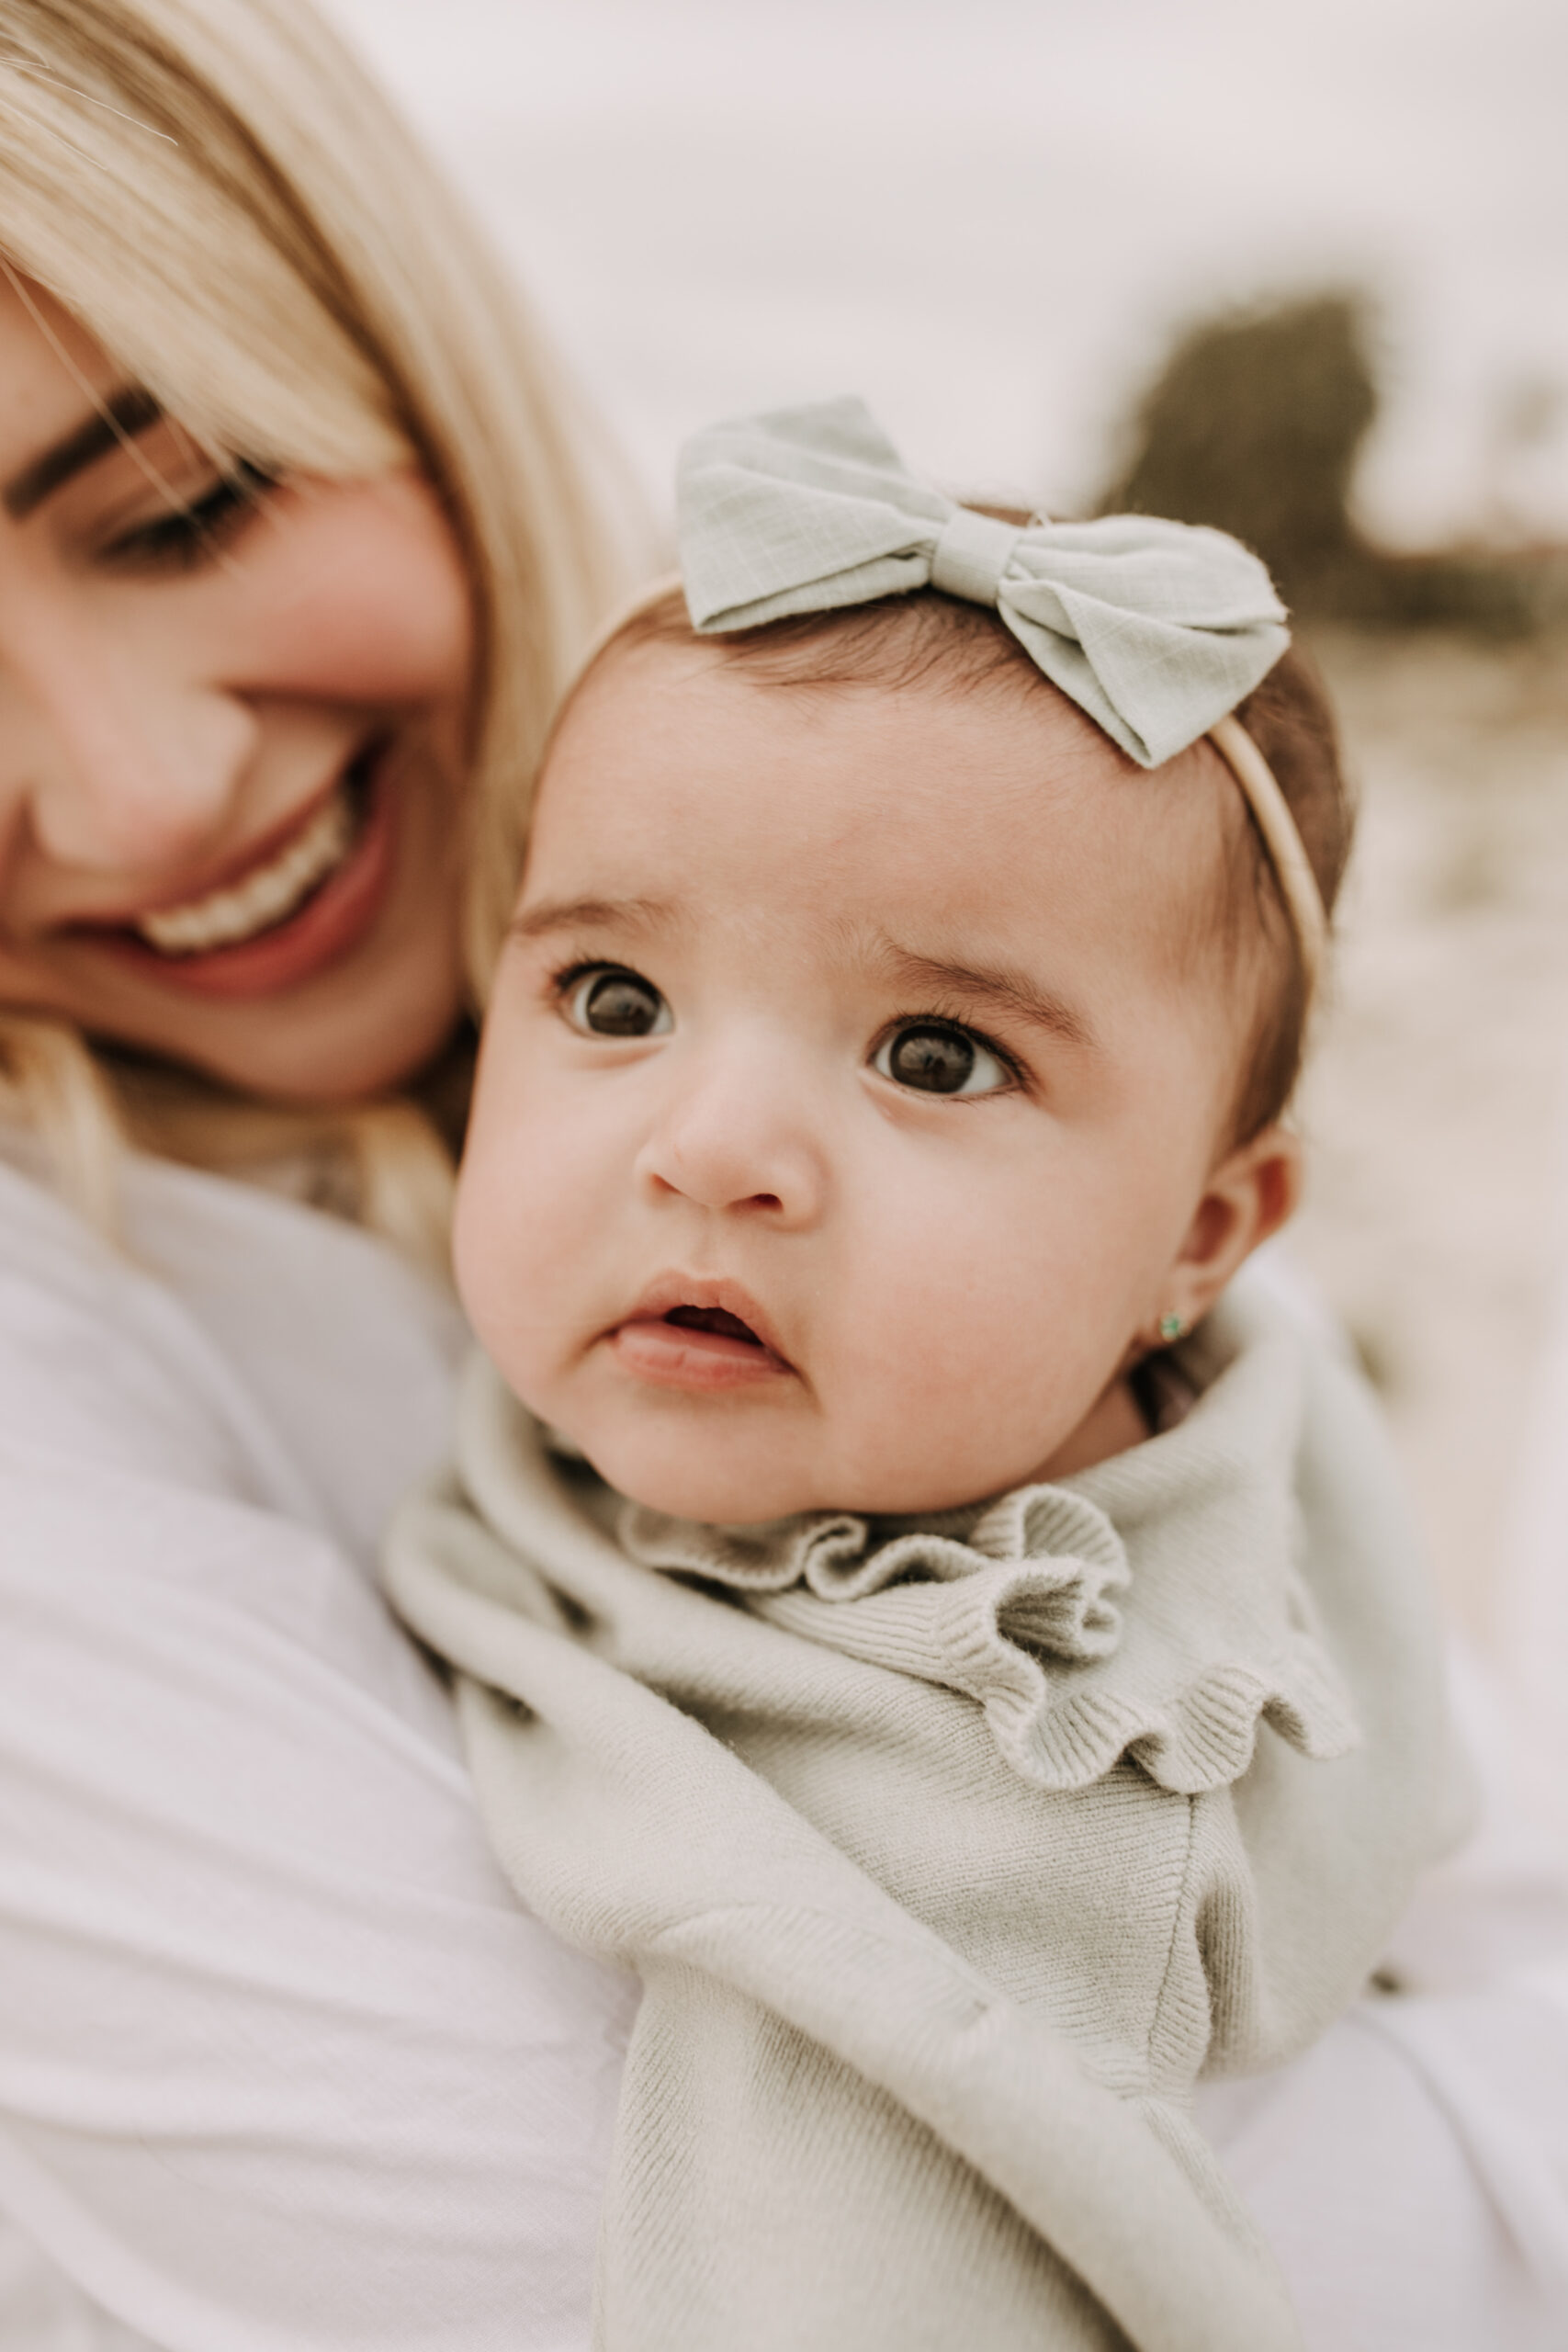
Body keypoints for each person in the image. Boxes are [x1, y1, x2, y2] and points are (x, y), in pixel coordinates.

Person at [0, 6, 1562, 2347]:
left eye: (180, 512)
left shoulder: (1128, 1323)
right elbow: (515, 2257)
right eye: (606, 1004)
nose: (133, 795)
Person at [377, 398, 1465, 2348]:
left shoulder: (1047, 1788)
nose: (711, 1148)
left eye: (936, 1055)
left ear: (1199, 1241)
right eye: (612, 999)